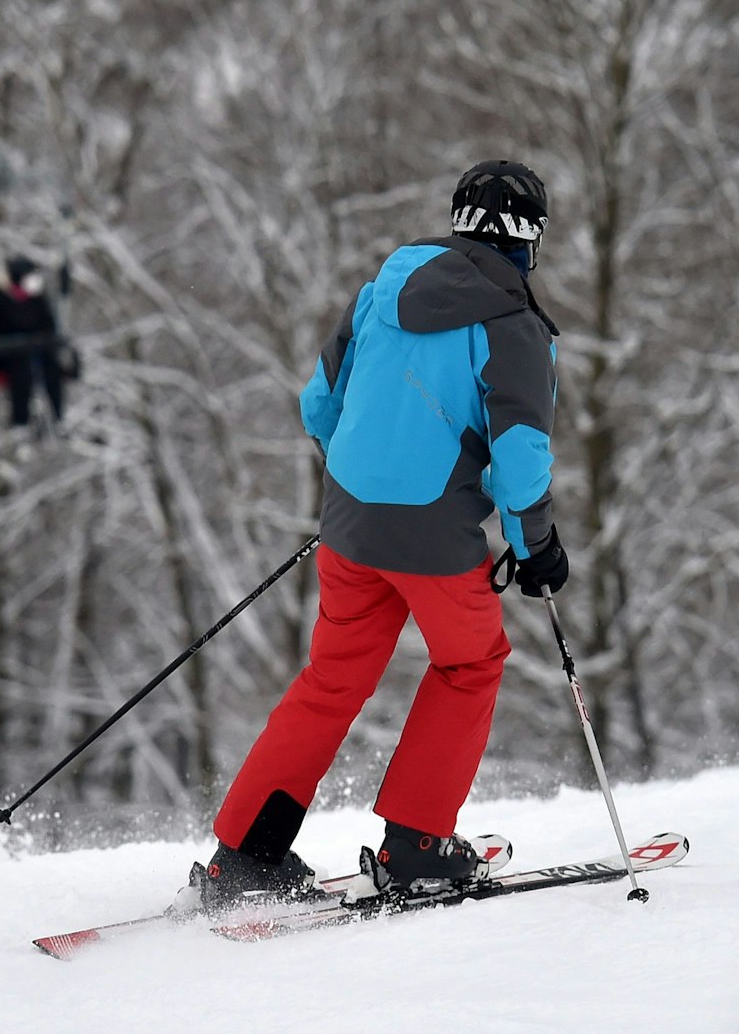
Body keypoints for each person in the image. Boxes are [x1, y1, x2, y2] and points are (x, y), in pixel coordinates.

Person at [186, 161, 568, 913]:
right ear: (532, 240)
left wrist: (369, 490)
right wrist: (535, 546)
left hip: (350, 525)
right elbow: (521, 454)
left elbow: (319, 406)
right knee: (471, 662)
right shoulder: (514, 323)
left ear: (459, 221)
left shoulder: (383, 289)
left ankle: (245, 858)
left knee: (332, 680)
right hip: (436, 539)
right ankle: (418, 846)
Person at [0, 255, 65, 453]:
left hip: (36, 350)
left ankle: (56, 417)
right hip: (11, 353)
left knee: (52, 370)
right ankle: (20, 422)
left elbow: (48, 324)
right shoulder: (0, 298)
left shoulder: (36, 298)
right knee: (21, 375)